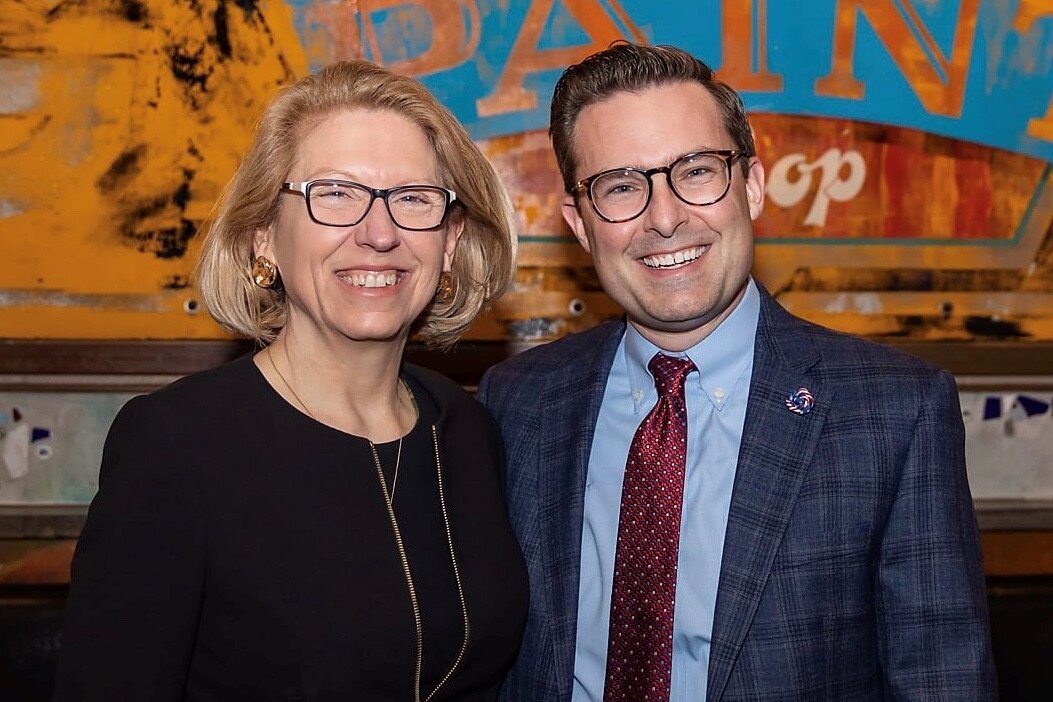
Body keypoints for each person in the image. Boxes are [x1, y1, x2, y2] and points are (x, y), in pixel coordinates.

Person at [478, 43, 996, 701]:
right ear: (580, 225)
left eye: (695, 171)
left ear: (750, 185)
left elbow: (942, 681)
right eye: (619, 187)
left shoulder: (895, 411)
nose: (663, 218)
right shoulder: (517, 401)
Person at [54, 60, 527, 701]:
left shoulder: (467, 426)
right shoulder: (176, 444)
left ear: (450, 242)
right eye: (334, 193)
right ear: (263, 239)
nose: (379, 233)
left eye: (413, 199)